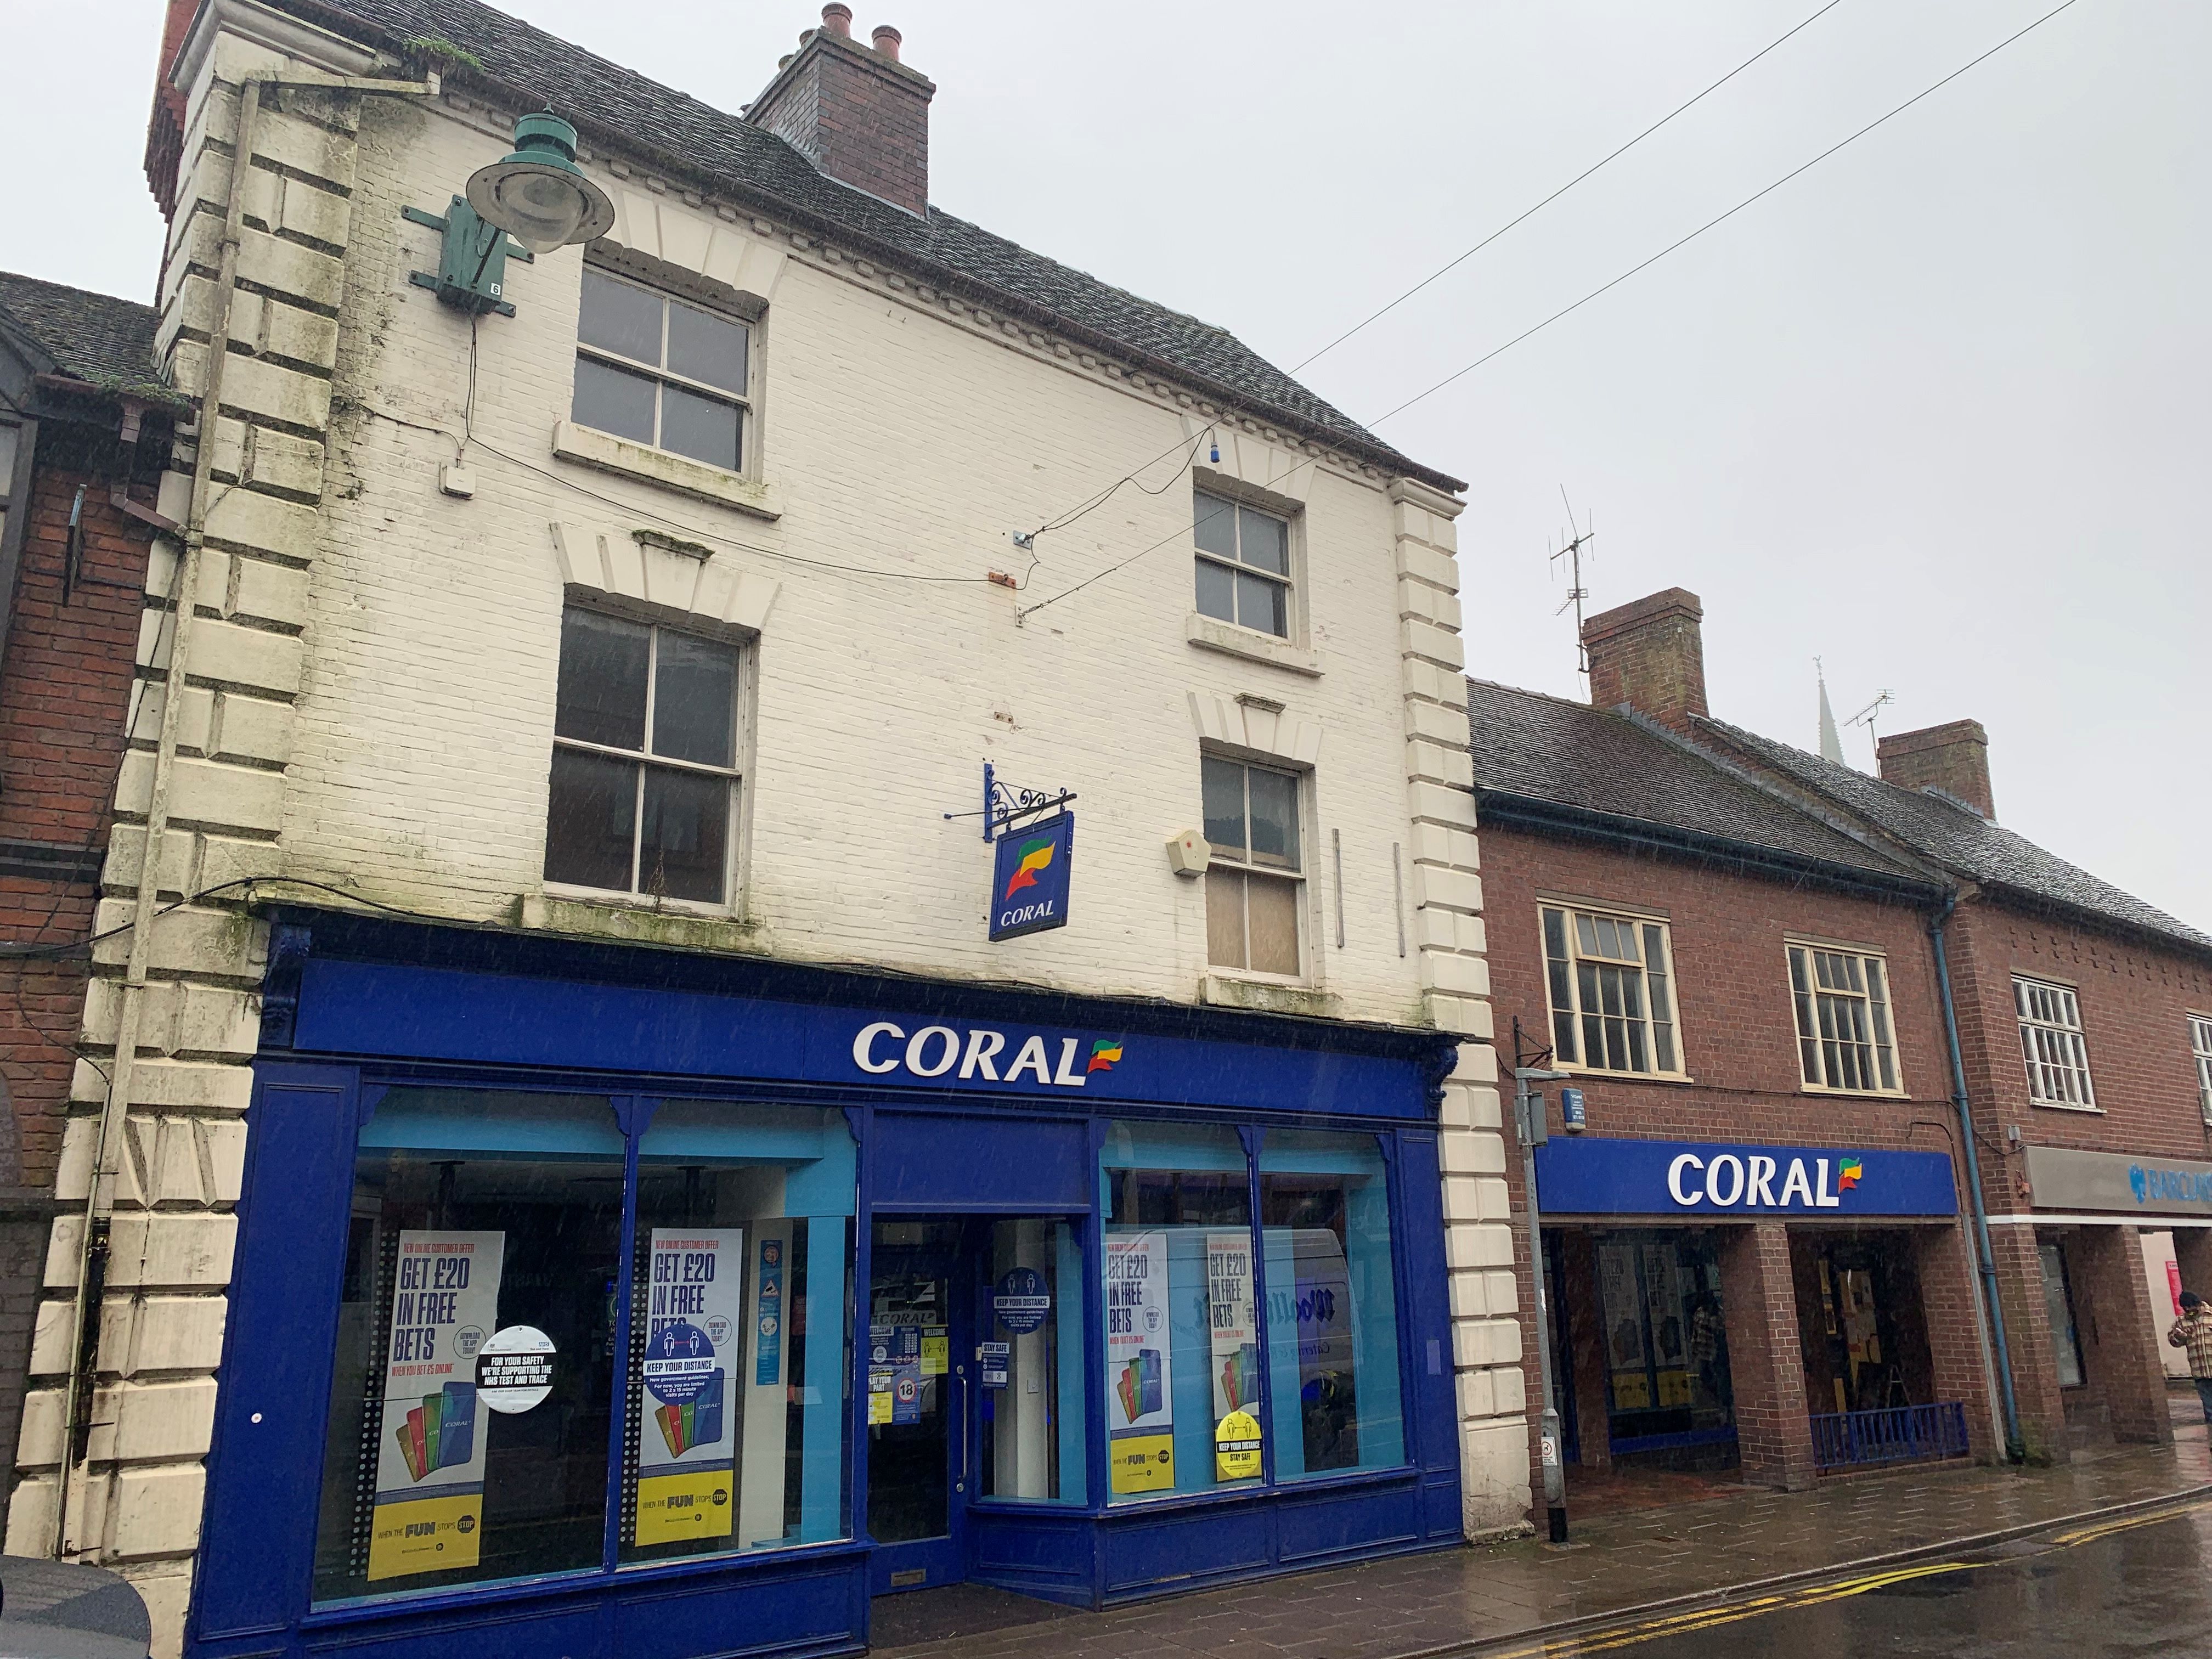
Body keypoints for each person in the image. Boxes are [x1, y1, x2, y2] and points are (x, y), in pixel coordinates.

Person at [2167, 1290, 2212, 1421]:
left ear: (2198, 1304)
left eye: (2190, 1307)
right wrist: (2179, 1337)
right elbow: (2174, 1342)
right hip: (2199, 1370)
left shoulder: (2210, 1315)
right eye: (2185, 1308)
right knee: (2209, 1407)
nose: (2188, 1310)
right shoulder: (2181, 1321)